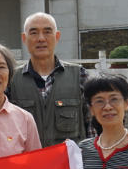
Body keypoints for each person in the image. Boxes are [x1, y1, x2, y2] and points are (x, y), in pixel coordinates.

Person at [9, 12, 88, 147]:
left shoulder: (79, 75)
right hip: (28, 159)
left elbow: (92, 124)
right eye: (34, 33)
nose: (41, 38)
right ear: (24, 38)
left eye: (47, 32)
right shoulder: (11, 79)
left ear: (57, 36)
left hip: (67, 159)